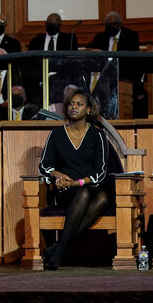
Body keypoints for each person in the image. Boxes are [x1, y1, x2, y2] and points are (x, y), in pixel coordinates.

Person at [38, 88, 111, 270]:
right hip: (65, 191)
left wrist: (77, 182)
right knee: (88, 195)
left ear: (88, 110)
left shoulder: (98, 135)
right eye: (71, 104)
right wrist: (58, 175)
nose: (74, 107)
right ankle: (59, 250)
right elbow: (44, 166)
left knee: (98, 195)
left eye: (79, 104)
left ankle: (58, 250)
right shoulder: (56, 134)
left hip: (91, 186)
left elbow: (101, 172)